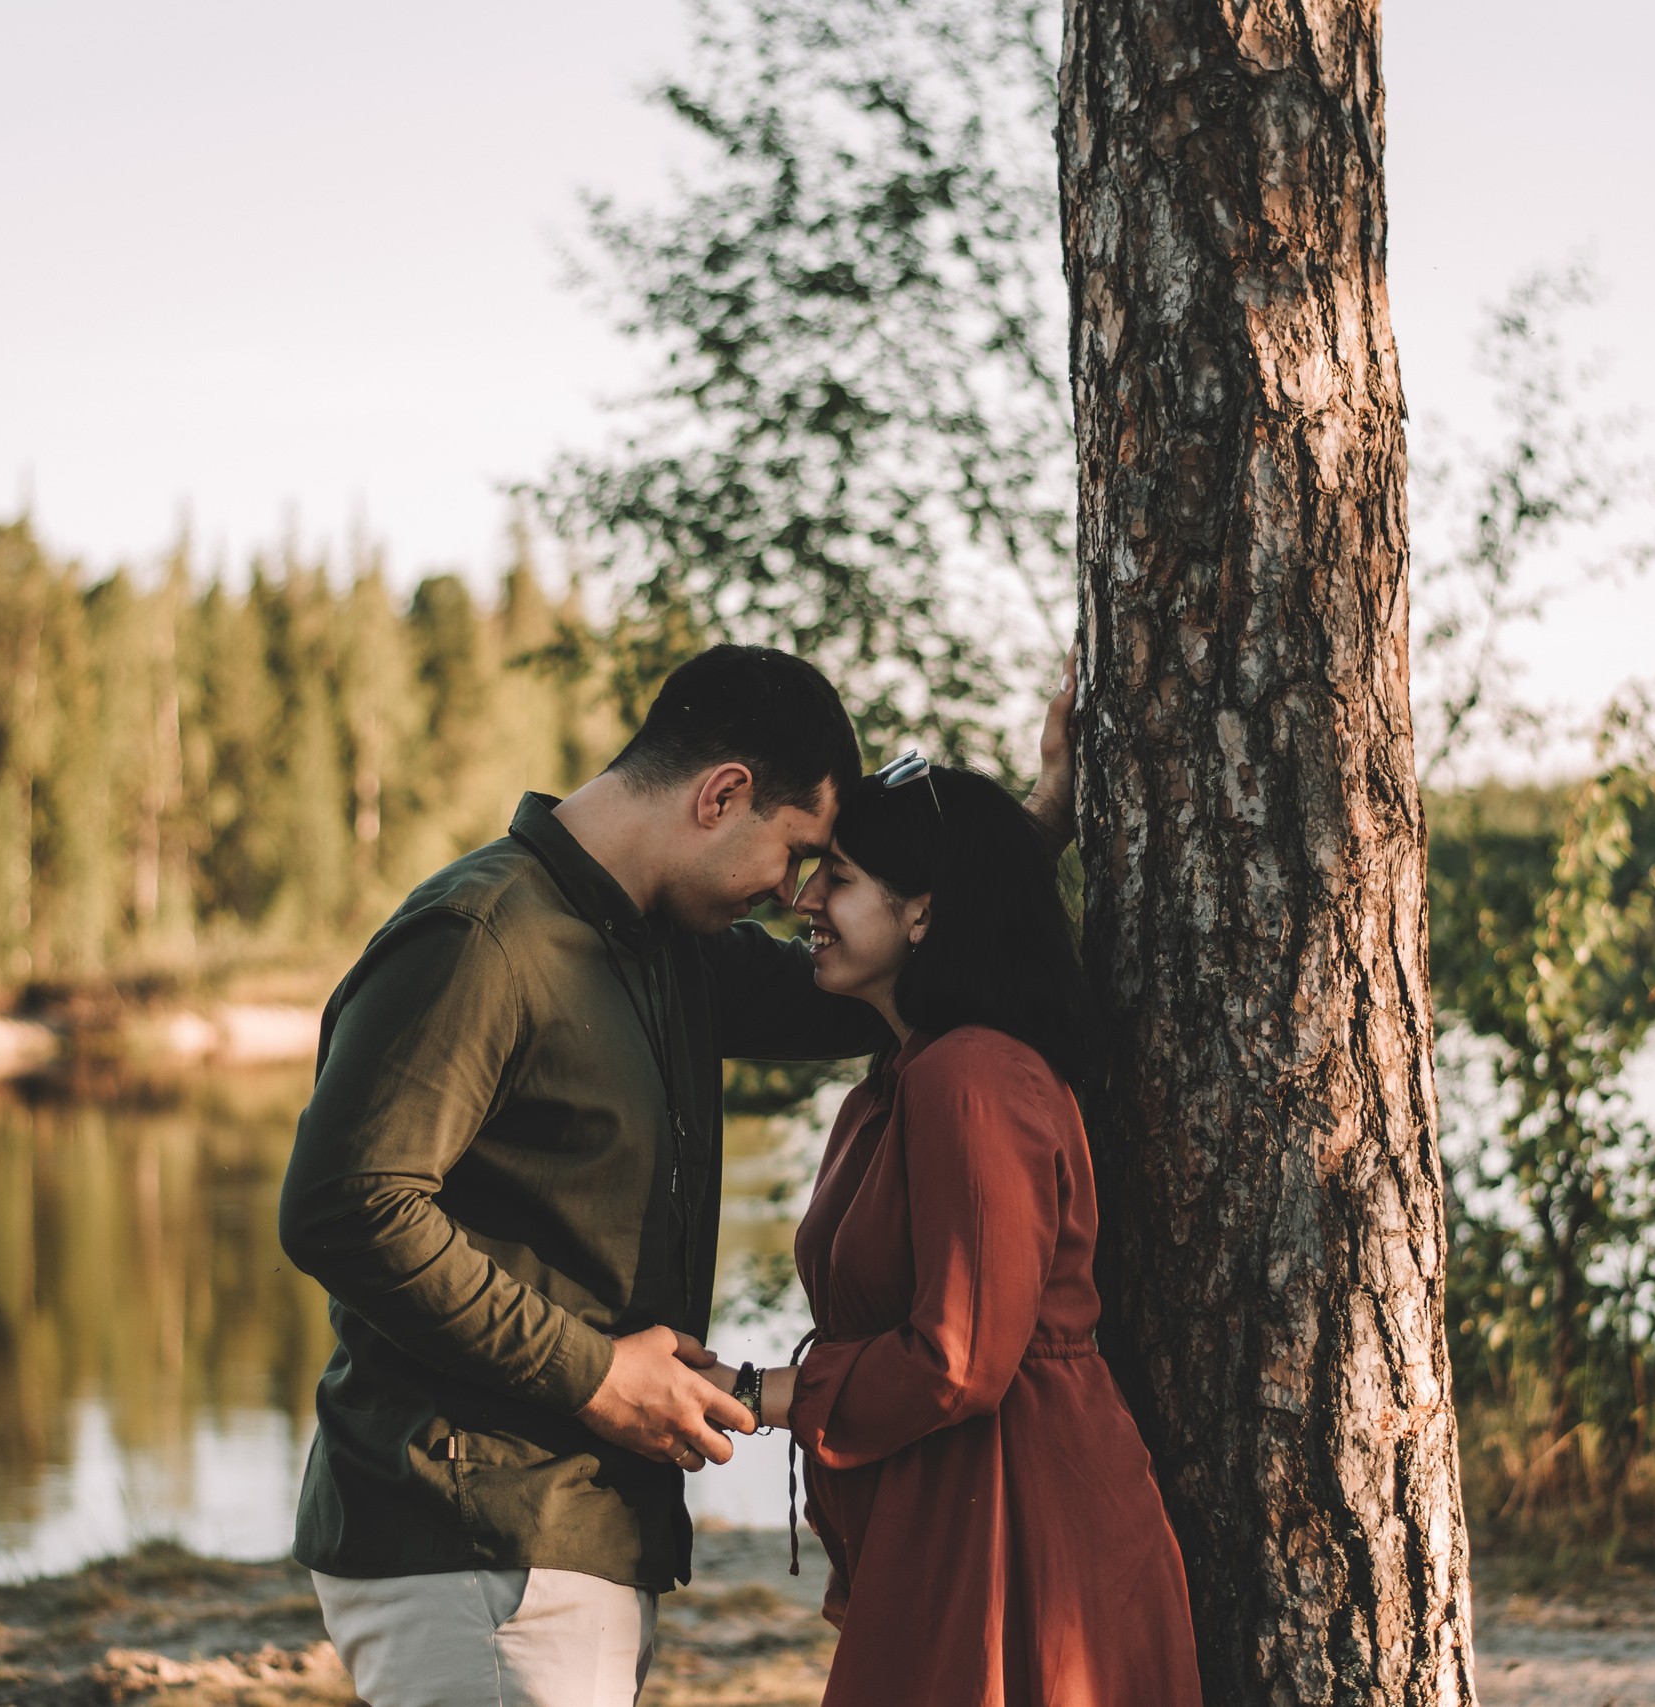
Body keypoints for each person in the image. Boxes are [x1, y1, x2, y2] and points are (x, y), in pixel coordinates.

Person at [277, 644, 1073, 1707]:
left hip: (563, 1541)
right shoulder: (482, 939)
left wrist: (1032, 827)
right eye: (795, 852)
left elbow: (885, 963)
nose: (794, 894)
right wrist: (597, 1374)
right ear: (723, 794)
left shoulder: (664, 951)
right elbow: (346, 1207)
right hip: (474, 1535)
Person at [737, 755, 1201, 1706]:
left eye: (842, 877)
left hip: (1020, 1537)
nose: (806, 898)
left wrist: (754, 1391)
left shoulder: (972, 1077)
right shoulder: (897, 1083)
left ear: (922, 911)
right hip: (943, 1518)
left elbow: (957, 1357)